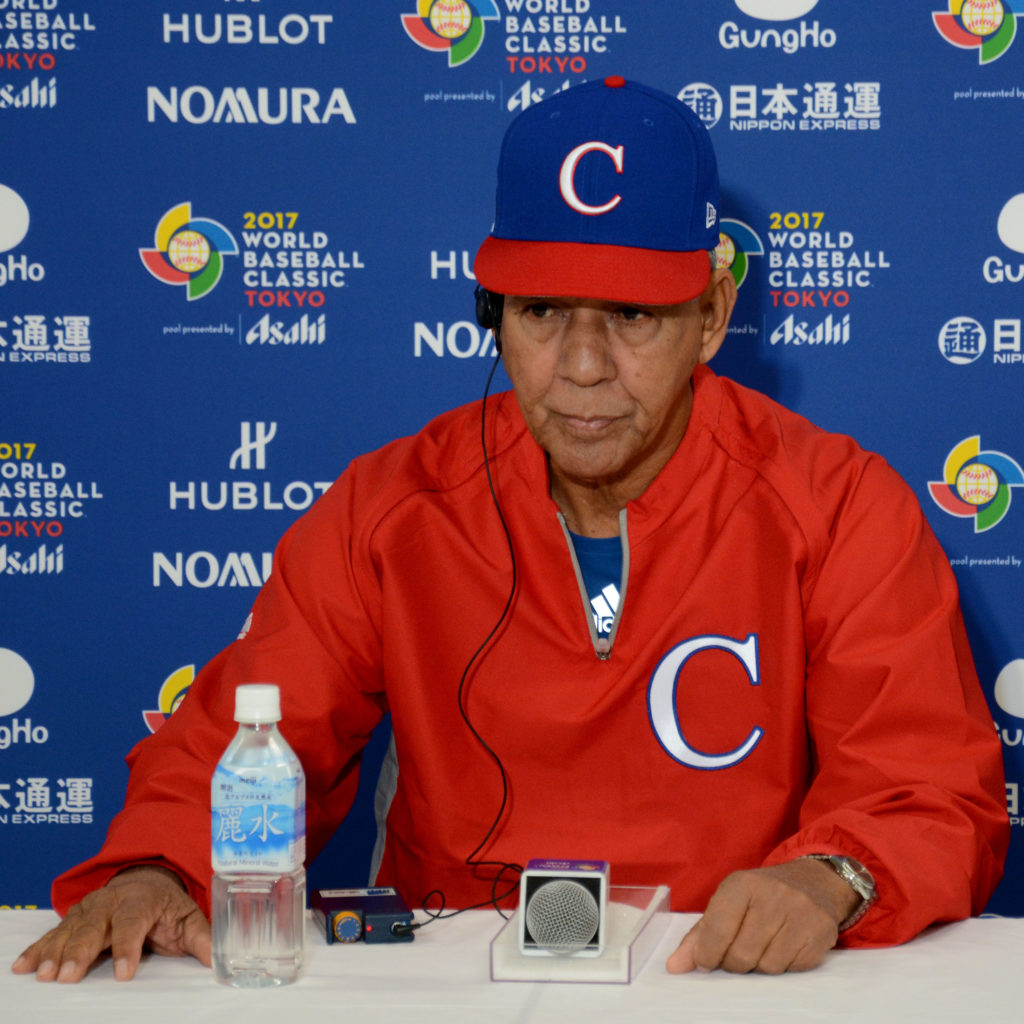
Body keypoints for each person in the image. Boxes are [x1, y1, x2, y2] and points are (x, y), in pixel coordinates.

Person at [13, 77, 1008, 983]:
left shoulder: (837, 504)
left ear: (710, 313)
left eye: (630, 314)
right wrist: (155, 864)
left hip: (718, 977)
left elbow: (927, 790)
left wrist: (829, 879)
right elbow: (246, 734)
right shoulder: (394, 506)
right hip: (450, 976)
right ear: (488, 311)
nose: (580, 366)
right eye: (539, 311)